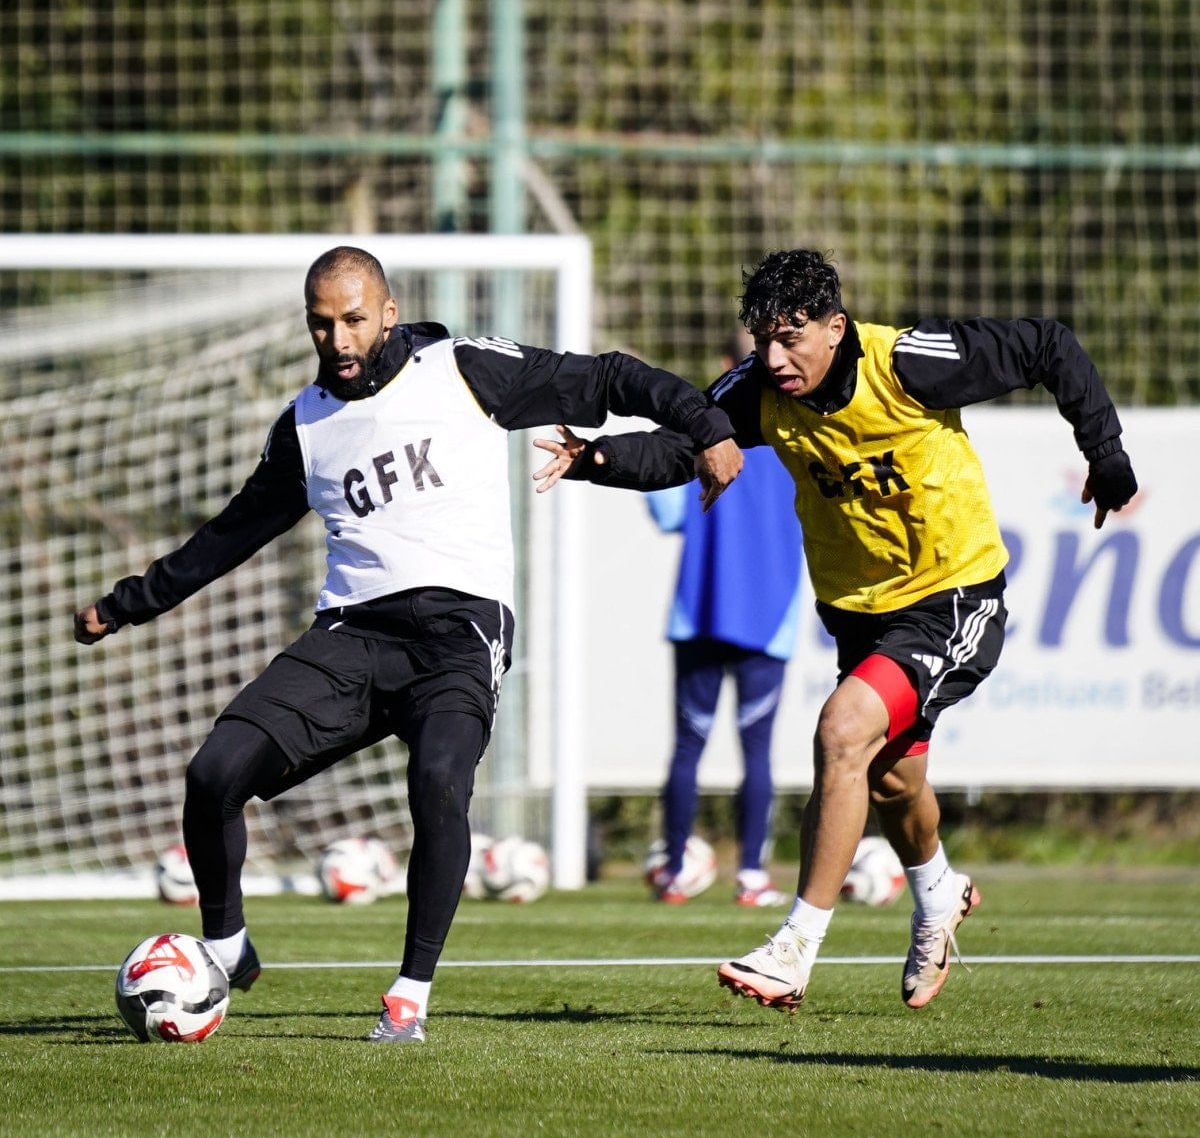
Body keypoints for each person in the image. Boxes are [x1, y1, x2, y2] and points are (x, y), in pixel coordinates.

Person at [74, 245, 742, 1044]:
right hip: (353, 634)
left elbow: (604, 376)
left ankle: (409, 994)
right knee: (213, 773)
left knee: (438, 782)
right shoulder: (306, 425)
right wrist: (126, 604)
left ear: (388, 312)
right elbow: (231, 535)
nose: (340, 340)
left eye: (354, 319)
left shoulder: (462, 368)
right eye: (322, 325)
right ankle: (224, 945)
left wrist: (703, 424)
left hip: (460, 634)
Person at [533, 248, 1137, 1012]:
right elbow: (691, 443)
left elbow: (1049, 342)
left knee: (842, 729)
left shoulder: (910, 364)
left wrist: (1105, 453)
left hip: (952, 595)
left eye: (792, 338)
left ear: (836, 327)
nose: (775, 358)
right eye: (762, 341)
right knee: (891, 778)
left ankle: (794, 945)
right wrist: (598, 457)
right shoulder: (761, 390)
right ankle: (939, 891)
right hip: (859, 612)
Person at [644, 333, 802, 908]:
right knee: (757, 751)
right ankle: (752, 876)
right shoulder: (799, 435)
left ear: (725, 367)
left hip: (701, 610)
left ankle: (674, 868)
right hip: (772, 616)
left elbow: (663, 508)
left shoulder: (700, 432)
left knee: (688, 748)